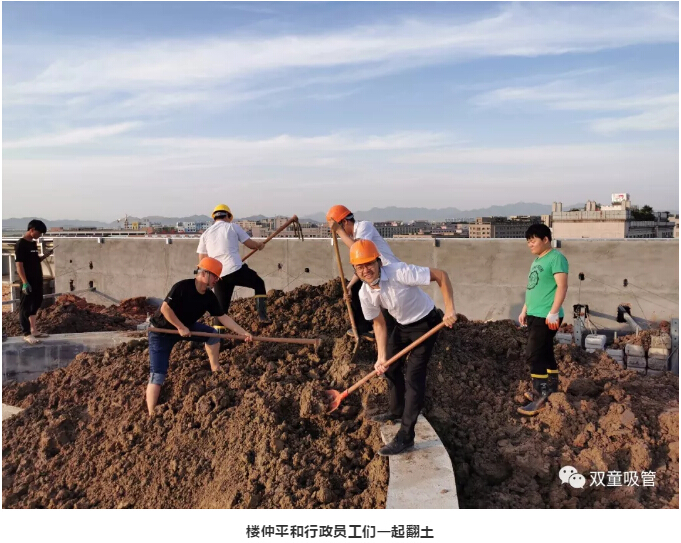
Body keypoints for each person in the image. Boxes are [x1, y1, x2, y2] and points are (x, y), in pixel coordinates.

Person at [350, 239, 457, 456]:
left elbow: (441, 275)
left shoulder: (400, 272)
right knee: (389, 367)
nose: (366, 270)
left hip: (426, 323)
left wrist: (449, 310)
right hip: (402, 326)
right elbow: (379, 324)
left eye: (369, 264)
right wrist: (381, 357)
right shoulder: (365, 293)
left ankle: (406, 437)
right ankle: (397, 410)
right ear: (355, 270)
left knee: (414, 378)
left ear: (379, 262)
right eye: (360, 267)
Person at [146, 257, 253, 416]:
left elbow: (223, 317)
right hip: (161, 332)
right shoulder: (182, 287)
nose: (217, 280)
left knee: (213, 335)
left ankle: (215, 368)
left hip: (185, 327)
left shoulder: (209, 297)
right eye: (215, 276)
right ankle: (151, 414)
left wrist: (243, 332)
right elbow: (165, 309)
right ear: (204, 274)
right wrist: (180, 327)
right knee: (158, 374)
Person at [326, 205, 400, 341]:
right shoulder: (355, 236)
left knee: (385, 304)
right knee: (355, 289)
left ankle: (388, 333)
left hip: (388, 271)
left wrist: (339, 231)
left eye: (340, 228)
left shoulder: (364, 226)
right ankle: (365, 328)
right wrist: (349, 286)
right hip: (375, 271)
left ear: (345, 222)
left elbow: (359, 249)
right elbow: (363, 266)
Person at [517, 224, 569, 416]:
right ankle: (551, 390)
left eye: (533, 240)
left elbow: (562, 287)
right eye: (528, 241)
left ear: (545, 239)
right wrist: (525, 309)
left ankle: (540, 397)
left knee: (534, 354)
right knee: (545, 351)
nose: (530, 244)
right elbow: (533, 287)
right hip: (535, 313)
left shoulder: (556, 258)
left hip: (547, 316)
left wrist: (553, 312)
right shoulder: (537, 261)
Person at [197, 204, 271, 325]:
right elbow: (250, 244)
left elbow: (202, 260)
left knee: (221, 311)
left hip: (218, 275)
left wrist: (208, 278)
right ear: (227, 215)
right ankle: (263, 317)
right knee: (259, 283)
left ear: (214, 217)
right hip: (236, 270)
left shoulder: (206, 234)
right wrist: (259, 245)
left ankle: (217, 336)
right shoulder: (232, 227)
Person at [14, 219, 52, 344]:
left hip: (37, 278)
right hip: (28, 280)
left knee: (37, 302)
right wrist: (25, 282)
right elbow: (19, 265)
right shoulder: (21, 244)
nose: (40, 235)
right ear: (32, 230)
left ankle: (34, 330)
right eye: (39, 233)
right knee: (25, 306)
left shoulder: (33, 244)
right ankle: (26, 333)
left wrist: (45, 255)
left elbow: (35, 260)